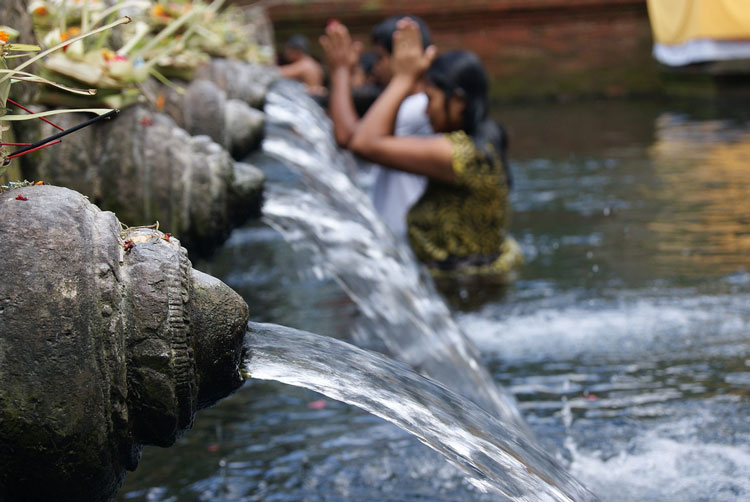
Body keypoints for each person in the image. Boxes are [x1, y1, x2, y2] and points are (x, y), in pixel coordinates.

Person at [349, 18, 522, 277]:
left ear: (459, 102)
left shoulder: (457, 154)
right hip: (468, 288)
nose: (426, 110)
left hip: (463, 292)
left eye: (430, 99)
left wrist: (404, 78)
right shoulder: (481, 142)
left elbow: (363, 143)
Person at [320, 16, 433, 238]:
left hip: (410, 241)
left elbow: (349, 137)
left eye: (380, 58)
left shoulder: (418, 108)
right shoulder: (407, 105)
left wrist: (340, 71)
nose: (376, 68)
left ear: (402, 58)